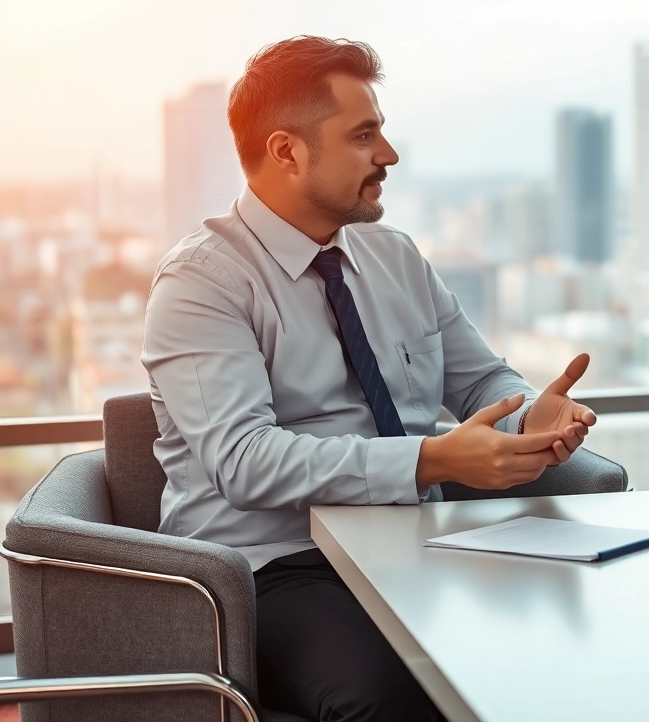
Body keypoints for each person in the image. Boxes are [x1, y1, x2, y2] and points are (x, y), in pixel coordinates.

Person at [142, 36, 598, 721]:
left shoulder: (395, 256)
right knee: (387, 697)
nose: (388, 155)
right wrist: (431, 458)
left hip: (418, 539)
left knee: (569, 642)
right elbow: (242, 461)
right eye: (364, 135)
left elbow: (481, 383)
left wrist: (532, 416)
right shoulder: (201, 284)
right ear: (286, 151)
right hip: (275, 568)